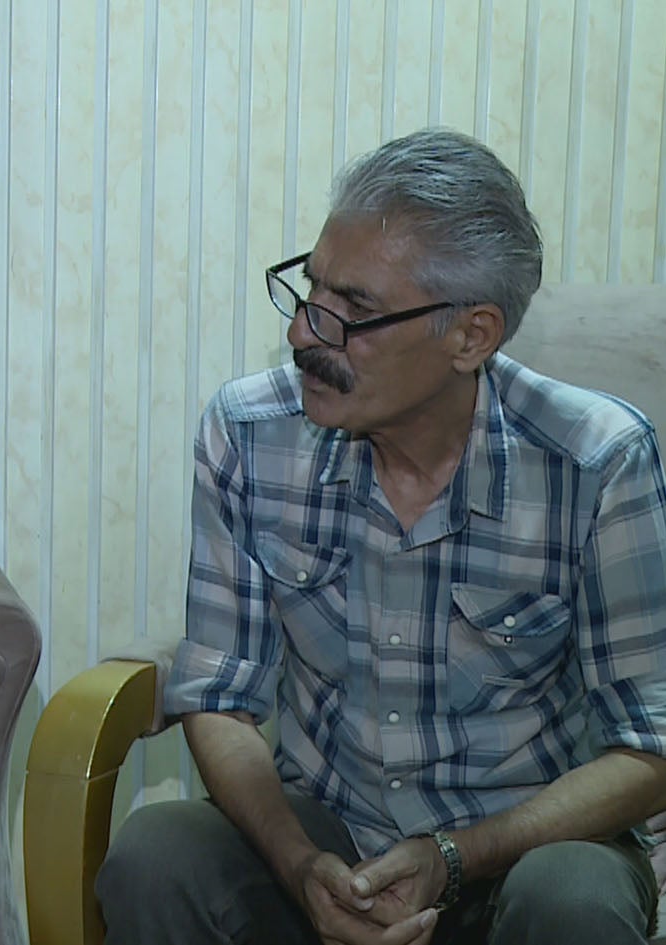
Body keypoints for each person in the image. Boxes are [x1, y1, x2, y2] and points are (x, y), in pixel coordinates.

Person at [96, 128, 666, 944]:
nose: (304, 334)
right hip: (327, 841)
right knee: (158, 854)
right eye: (310, 290)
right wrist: (298, 863)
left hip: (520, 851)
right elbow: (221, 695)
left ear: (472, 335)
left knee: (572, 893)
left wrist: (457, 854)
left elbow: (651, 744)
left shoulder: (597, 460)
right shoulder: (249, 434)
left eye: (353, 312)